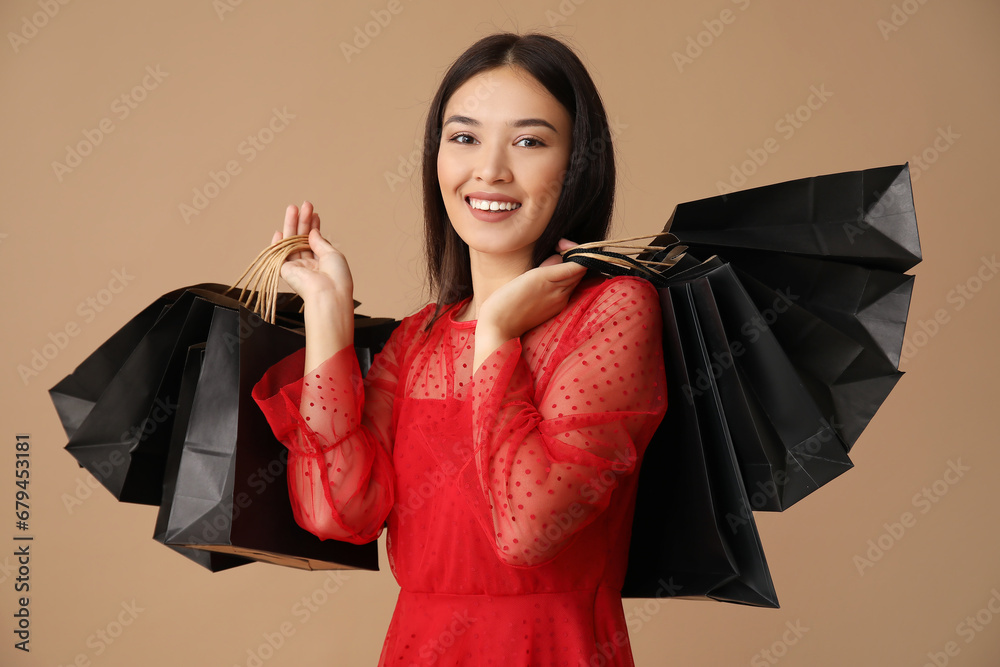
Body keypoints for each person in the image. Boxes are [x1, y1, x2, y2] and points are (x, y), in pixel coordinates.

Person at [251, 32, 668, 667]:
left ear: (578, 162)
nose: (490, 170)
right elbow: (336, 512)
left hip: (555, 648)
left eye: (529, 141)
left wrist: (497, 335)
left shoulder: (614, 311)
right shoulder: (418, 339)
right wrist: (328, 317)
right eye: (464, 137)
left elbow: (528, 530)